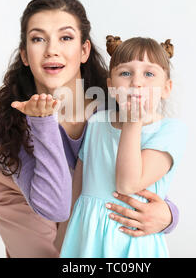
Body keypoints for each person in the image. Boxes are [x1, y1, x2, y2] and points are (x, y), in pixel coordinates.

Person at [0, 0, 181, 258]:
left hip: (89, 210)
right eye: (38, 39)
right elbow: (56, 208)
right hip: (26, 198)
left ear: (84, 50)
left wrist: (167, 214)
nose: (52, 49)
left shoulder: (112, 111)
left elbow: (136, 179)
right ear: (25, 55)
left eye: (65, 37)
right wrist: (42, 122)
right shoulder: (16, 130)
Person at [59, 37, 188, 257]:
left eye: (149, 74)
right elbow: (77, 192)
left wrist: (133, 122)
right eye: (126, 73)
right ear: (111, 86)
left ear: (166, 88)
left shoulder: (169, 131)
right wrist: (63, 243)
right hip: (87, 241)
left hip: (132, 245)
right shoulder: (97, 123)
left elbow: (128, 184)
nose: (136, 82)